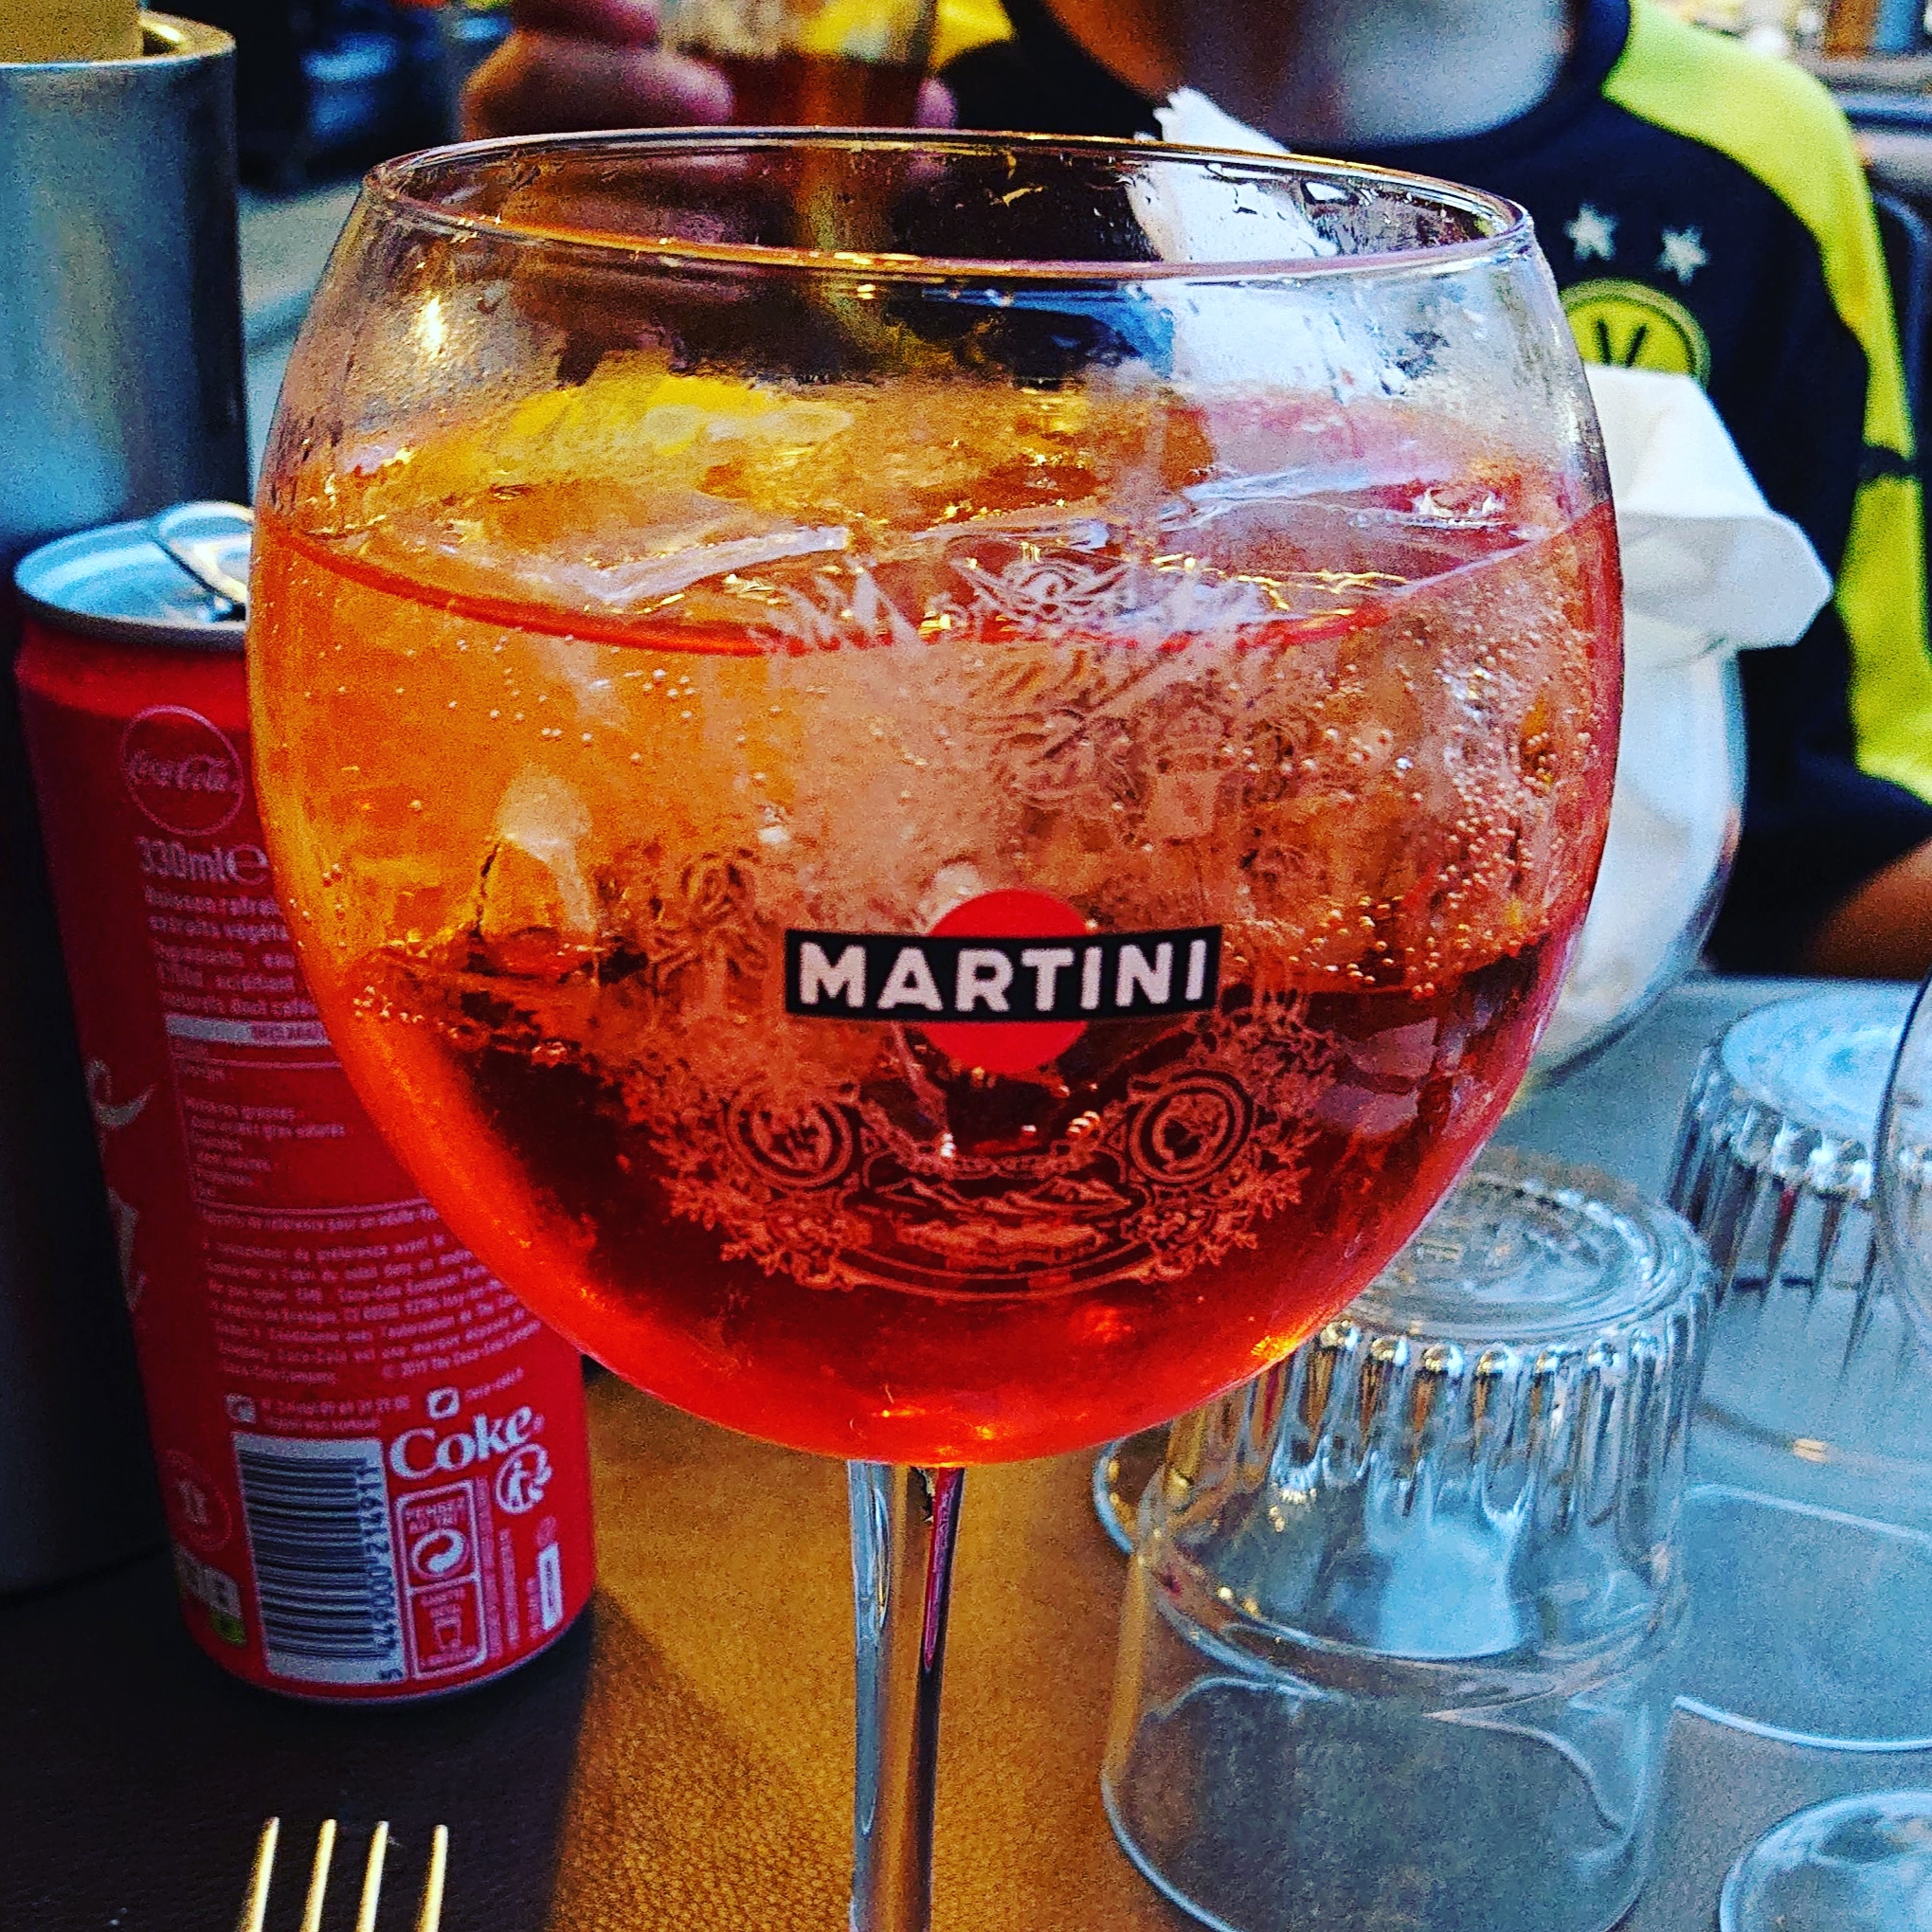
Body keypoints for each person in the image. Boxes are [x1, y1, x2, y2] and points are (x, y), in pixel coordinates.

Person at [464, 0, 1932, 980]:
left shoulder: (1754, 164)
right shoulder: (856, 100)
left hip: (1476, 1108)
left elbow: (1819, 847)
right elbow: (563, 748)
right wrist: (534, 309)